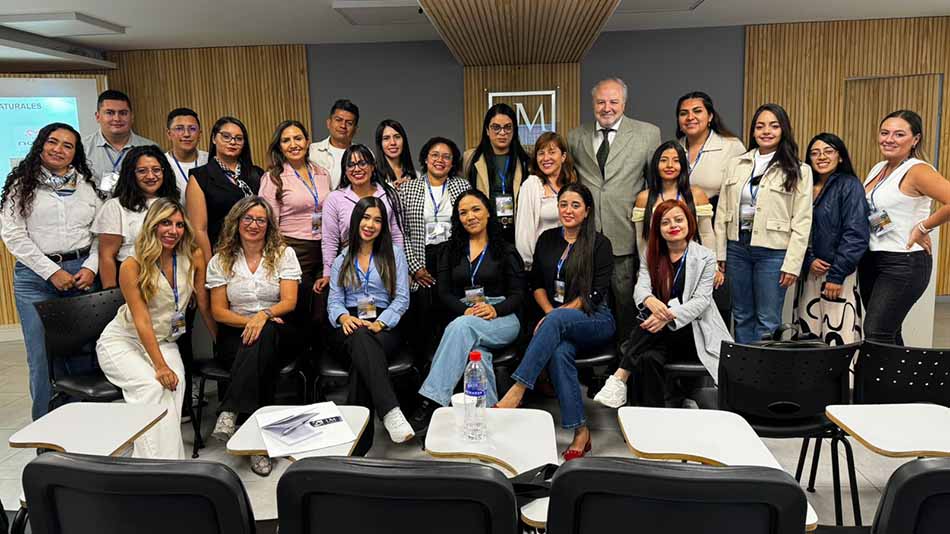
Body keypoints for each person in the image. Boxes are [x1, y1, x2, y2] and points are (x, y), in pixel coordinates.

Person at [496, 183, 615, 461]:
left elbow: (593, 294)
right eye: (563, 204)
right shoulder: (547, 239)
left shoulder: (600, 244)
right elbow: (535, 283)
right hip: (557, 319)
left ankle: (518, 390)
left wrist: (557, 316)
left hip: (594, 318)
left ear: (586, 211)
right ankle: (581, 431)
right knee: (560, 352)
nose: (568, 210)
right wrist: (552, 312)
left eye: (575, 205)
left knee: (557, 324)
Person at [96, 198, 216, 459]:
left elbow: (204, 306)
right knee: (152, 387)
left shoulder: (193, 255)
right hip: (124, 341)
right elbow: (142, 321)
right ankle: (157, 468)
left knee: (176, 388)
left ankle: (161, 464)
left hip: (164, 340)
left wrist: (222, 345)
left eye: (179, 225)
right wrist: (160, 366)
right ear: (152, 225)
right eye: (165, 223)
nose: (173, 231)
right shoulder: (132, 265)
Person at [0, 123, 102, 420]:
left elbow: (101, 232)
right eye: (53, 142)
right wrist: (50, 272)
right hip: (36, 278)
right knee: (42, 358)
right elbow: (14, 236)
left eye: (67, 145)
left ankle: (86, 425)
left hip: (81, 273)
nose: (59, 149)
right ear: (41, 145)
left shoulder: (87, 185)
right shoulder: (21, 184)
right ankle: (46, 430)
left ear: (75, 152)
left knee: (83, 353)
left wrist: (90, 266)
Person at [594, 199, 731, 408]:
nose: (673, 226)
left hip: (691, 333)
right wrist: (650, 300)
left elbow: (701, 301)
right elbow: (641, 289)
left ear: (689, 223)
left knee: (647, 326)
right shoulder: (651, 254)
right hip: (656, 336)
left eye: (679, 220)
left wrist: (665, 314)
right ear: (658, 228)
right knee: (647, 358)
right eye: (665, 222)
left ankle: (619, 377)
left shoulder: (705, 257)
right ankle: (650, 420)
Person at [409, 189, 525, 432]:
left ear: (488, 213)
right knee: (477, 356)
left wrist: (496, 310)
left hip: (501, 317)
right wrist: (465, 311)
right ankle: (488, 417)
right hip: (465, 316)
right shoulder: (449, 251)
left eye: (475, 209)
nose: (470, 216)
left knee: (462, 328)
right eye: (463, 212)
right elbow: (443, 294)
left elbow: (518, 295)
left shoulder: (506, 250)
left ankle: (429, 400)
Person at [206, 197, 302, 476]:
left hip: (279, 329)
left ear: (269, 225)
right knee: (260, 359)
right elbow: (219, 311)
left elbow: (289, 302)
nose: (253, 225)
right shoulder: (220, 260)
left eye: (261, 220)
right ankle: (258, 447)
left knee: (267, 334)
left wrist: (263, 317)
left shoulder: (284, 254)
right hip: (235, 334)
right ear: (236, 222)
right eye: (247, 218)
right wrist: (251, 322)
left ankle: (231, 410)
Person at [567, 78, 661, 341]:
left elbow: (654, 187)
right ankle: (593, 369)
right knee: (588, 303)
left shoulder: (648, 134)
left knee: (625, 306)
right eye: (600, 102)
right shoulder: (576, 136)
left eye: (613, 101)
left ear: (624, 103)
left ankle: (625, 366)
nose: (606, 107)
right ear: (592, 104)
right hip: (588, 238)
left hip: (626, 235)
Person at [715, 103, 812, 344]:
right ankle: (745, 374)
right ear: (753, 131)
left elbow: (802, 220)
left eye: (774, 126)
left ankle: (765, 379)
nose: (766, 131)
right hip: (737, 247)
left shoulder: (799, 170)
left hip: (773, 252)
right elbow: (722, 211)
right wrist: (720, 253)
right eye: (760, 126)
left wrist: (792, 264)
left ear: (784, 130)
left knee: (768, 319)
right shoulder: (737, 164)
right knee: (742, 315)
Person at [859, 110, 950, 345]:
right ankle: (898, 382)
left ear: (915, 139)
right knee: (888, 333)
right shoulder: (879, 168)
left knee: (876, 333)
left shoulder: (918, 170)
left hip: (903, 263)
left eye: (899, 134)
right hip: (873, 259)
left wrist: (923, 227)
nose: (889, 139)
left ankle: (883, 383)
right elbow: (877, 213)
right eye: (884, 133)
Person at [327, 197, 412, 443]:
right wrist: (343, 317)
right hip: (348, 323)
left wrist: (381, 322)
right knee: (360, 339)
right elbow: (334, 301)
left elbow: (402, 299)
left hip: (385, 324)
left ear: (383, 225)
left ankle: (356, 443)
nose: (370, 225)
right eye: (366, 217)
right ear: (356, 220)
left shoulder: (394, 254)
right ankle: (391, 412)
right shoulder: (342, 258)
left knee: (362, 356)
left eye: (377, 220)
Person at [397, 137, 470, 358]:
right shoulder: (409, 188)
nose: (440, 160)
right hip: (422, 259)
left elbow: (469, 225)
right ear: (425, 159)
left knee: (453, 312)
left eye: (446, 156)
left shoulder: (462, 186)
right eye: (435, 155)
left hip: (453, 258)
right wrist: (415, 266)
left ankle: (454, 362)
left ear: (453, 162)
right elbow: (402, 232)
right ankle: (426, 366)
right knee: (425, 317)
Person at [793, 133, 868, 345]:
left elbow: (856, 234)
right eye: (815, 153)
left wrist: (836, 276)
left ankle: (842, 380)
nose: (821, 157)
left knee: (838, 335)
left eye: (828, 151)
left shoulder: (850, 185)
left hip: (838, 275)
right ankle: (810, 379)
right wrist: (809, 260)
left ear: (840, 156)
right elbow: (798, 228)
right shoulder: (803, 186)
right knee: (808, 334)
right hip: (809, 274)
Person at [259, 120, 331, 333]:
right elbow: (268, 224)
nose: (293, 144)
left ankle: (320, 359)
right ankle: (301, 361)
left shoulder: (322, 173)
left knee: (323, 308)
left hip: (324, 248)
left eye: (298, 138)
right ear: (279, 146)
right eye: (286, 140)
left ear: (308, 142)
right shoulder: (273, 178)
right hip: (292, 249)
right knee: (301, 310)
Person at [318, 145, 404, 293]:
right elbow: (330, 240)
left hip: (384, 263)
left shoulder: (389, 194)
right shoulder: (335, 199)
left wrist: (400, 270)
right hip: (349, 264)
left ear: (372, 166)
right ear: (345, 171)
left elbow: (396, 234)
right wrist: (328, 273)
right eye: (350, 165)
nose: (356, 169)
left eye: (362, 163)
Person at [94, 145, 181, 289]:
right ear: (130, 174)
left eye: (156, 170)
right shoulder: (115, 206)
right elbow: (107, 256)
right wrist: (111, 295)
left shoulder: (172, 203)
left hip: (173, 277)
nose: (151, 176)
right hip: (133, 280)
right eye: (142, 171)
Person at [186, 116, 264, 264]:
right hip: (222, 255)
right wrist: (210, 267)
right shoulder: (200, 177)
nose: (232, 142)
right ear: (214, 138)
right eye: (226, 137)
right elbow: (199, 230)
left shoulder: (257, 174)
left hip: (257, 254)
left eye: (238, 138)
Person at [633, 141, 715, 259]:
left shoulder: (697, 194)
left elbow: (706, 234)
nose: (669, 165)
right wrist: (646, 267)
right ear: (656, 164)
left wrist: (713, 265)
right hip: (657, 261)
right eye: (663, 160)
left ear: (682, 165)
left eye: (676, 161)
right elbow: (642, 239)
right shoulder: (644, 198)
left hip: (692, 260)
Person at [463, 103, 531, 243]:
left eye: (507, 127)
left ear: (514, 130)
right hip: (484, 230)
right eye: (496, 127)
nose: (502, 133)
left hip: (517, 230)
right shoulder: (470, 158)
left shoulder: (525, 160)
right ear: (487, 130)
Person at [515, 132, 578, 269]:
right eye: (541, 153)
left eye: (551, 152)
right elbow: (523, 232)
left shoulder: (572, 184)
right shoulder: (532, 185)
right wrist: (529, 265)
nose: (546, 158)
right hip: (541, 263)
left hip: (571, 262)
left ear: (563, 156)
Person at [675, 91, 746, 208]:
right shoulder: (672, 149)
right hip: (677, 220)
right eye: (683, 113)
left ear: (710, 116)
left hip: (715, 219)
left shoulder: (731, 146)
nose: (690, 117)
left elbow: (740, 194)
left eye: (697, 111)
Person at [82, 89, 158, 194]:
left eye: (123, 113)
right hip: (97, 209)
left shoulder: (151, 148)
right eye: (110, 113)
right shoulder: (82, 149)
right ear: (98, 116)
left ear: (132, 116)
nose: (117, 118)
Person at [310, 99, 359, 190]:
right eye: (338, 120)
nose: (343, 126)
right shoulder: (312, 151)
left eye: (349, 123)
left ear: (355, 130)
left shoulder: (363, 155)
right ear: (328, 123)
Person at [164, 107, 209, 204]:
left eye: (192, 129)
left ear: (200, 134)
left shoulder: (210, 160)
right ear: (169, 134)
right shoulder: (161, 163)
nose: (186, 134)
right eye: (179, 128)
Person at [376, 119, 417, 188]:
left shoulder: (416, 175)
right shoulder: (372, 174)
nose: (393, 142)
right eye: (386, 138)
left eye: (397, 137)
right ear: (380, 143)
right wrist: (392, 188)